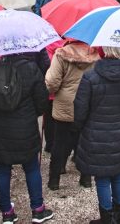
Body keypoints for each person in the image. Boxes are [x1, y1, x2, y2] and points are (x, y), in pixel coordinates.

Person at [0, 53, 54, 223]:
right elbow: (42, 100)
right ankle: (37, 209)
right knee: (32, 168)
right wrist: (32, 113)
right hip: (24, 126)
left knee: (2, 169)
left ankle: (7, 212)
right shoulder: (31, 68)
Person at [73, 46, 120, 224]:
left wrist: (79, 129)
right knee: (117, 174)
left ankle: (107, 218)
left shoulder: (89, 77)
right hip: (119, 133)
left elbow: (80, 111)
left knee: (102, 177)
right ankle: (119, 217)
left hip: (95, 135)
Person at [45, 38, 100, 190]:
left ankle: (54, 180)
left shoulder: (61, 54)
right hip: (86, 104)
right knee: (84, 141)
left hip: (64, 103)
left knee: (59, 141)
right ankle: (86, 178)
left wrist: (53, 91)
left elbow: (52, 82)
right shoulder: (94, 54)